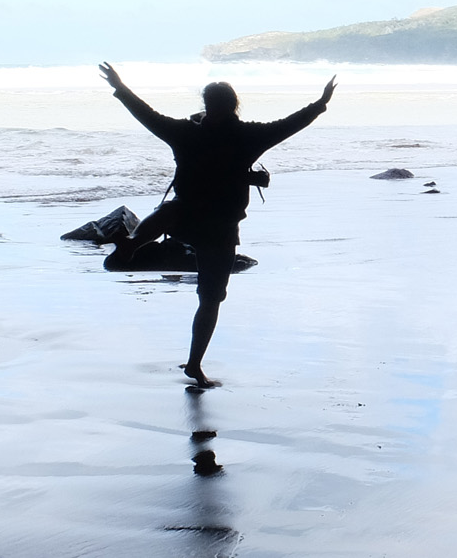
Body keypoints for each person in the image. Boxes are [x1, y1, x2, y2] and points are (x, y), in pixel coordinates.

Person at [98, 63, 335, 387]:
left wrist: (120, 88)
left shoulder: (187, 132)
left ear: (206, 104)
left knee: (196, 268)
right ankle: (194, 364)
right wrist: (320, 105)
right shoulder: (247, 136)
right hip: (217, 225)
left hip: (197, 220)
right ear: (233, 105)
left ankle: (134, 243)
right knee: (208, 296)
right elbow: (289, 125)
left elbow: (147, 115)